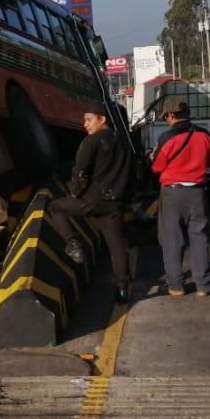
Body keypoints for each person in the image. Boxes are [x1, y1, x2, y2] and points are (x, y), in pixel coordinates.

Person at [49, 102, 134, 303]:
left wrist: (75, 193)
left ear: (102, 119)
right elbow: (131, 174)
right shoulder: (123, 142)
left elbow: (79, 172)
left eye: (88, 119)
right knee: (116, 245)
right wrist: (127, 200)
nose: (84, 124)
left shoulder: (91, 141)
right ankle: (122, 289)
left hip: (92, 200)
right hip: (115, 203)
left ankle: (73, 243)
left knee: (56, 207)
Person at [150, 96, 210, 297]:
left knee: (172, 239)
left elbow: (157, 167)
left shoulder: (167, 138)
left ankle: (176, 285)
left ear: (171, 115)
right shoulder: (204, 135)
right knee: (199, 237)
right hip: (197, 192)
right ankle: (203, 285)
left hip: (173, 193)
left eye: (166, 118)